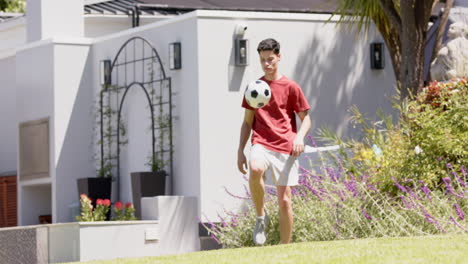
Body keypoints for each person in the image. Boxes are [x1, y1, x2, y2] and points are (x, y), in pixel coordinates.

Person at [237, 38, 311, 245]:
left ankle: (284, 247)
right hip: (261, 142)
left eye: (270, 59)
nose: (267, 64)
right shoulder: (254, 88)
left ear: (279, 57)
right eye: (262, 60)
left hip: (286, 147)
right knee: (255, 167)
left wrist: (299, 137)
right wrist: (240, 150)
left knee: (285, 201)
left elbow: (307, 120)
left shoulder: (291, 87)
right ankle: (261, 217)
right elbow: (246, 123)